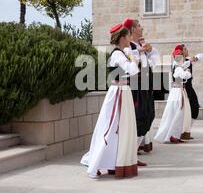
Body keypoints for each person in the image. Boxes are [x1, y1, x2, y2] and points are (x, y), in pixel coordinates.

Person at [80, 24, 140, 179]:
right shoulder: (117, 55)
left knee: (121, 130)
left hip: (123, 92)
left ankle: (113, 162)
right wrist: (133, 57)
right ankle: (96, 162)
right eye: (128, 36)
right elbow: (133, 70)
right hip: (118, 94)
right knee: (110, 128)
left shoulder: (122, 54)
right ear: (122, 38)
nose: (130, 39)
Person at [123, 19, 159, 155]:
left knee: (149, 116)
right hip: (136, 89)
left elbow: (152, 63)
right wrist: (140, 49)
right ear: (132, 30)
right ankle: (130, 152)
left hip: (146, 87)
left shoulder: (140, 46)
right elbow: (129, 57)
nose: (141, 28)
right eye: (139, 26)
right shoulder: (128, 47)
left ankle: (134, 150)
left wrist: (148, 50)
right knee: (140, 118)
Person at [154, 45, 192, 144]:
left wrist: (189, 62)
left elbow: (184, 66)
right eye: (179, 56)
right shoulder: (177, 65)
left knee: (178, 114)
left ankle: (174, 135)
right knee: (177, 113)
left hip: (178, 91)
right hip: (177, 92)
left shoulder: (178, 64)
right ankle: (172, 135)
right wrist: (188, 73)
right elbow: (181, 75)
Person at [178, 45, 203, 140]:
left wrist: (196, 58)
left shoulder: (189, 59)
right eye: (185, 49)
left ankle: (186, 131)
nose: (187, 50)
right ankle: (182, 132)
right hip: (182, 88)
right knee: (183, 111)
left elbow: (202, 56)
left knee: (195, 109)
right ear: (181, 51)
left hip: (189, 88)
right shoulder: (179, 61)